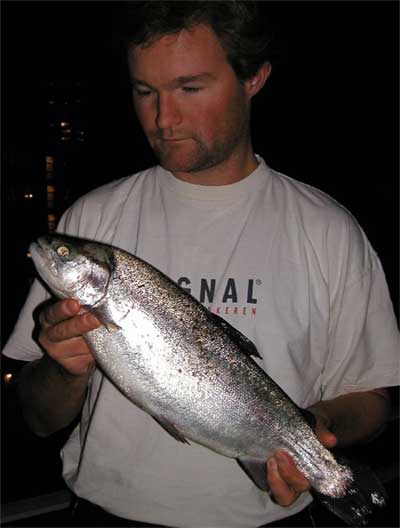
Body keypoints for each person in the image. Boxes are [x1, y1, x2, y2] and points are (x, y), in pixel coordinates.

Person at [2, 2, 399, 527]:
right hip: (106, 515)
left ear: (254, 77)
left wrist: (314, 429)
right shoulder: (94, 217)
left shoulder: (328, 229)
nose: (164, 119)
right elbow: (36, 416)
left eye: (190, 89)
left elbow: (371, 396)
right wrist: (62, 369)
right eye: (146, 93)